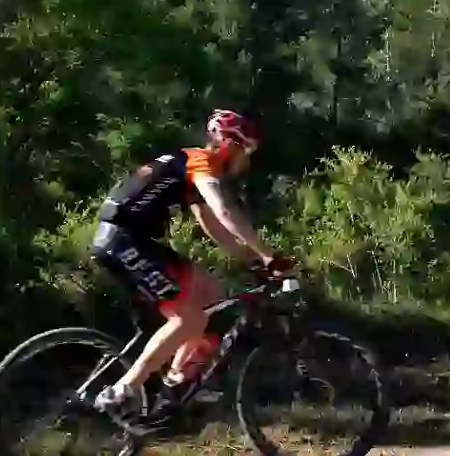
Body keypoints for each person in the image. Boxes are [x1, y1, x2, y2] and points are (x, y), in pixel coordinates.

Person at [89, 109, 295, 422]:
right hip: (123, 241)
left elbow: (211, 223)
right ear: (228, 143)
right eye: (246, 149)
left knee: (211, 291)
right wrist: (269, 255)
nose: (247, 160)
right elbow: (224, 212)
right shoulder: (201, 161)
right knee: (190, 318)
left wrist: (252, 259)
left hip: (131, 240)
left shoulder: (187, 168)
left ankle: (172, 391)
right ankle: (124, 388)